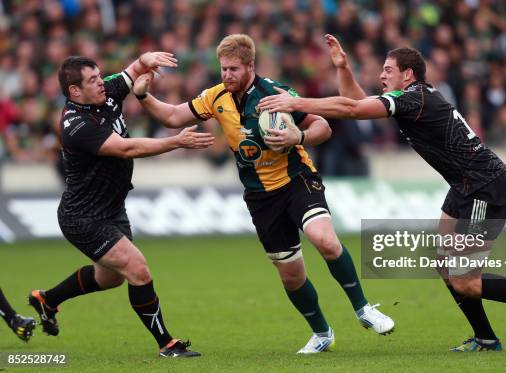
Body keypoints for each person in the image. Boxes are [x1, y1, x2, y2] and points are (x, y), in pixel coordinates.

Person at [259, 34, 506, 351]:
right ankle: (486, 338)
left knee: (465, 278)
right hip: (463, 186)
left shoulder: (415, 98)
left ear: (407, 74)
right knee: (446, 268)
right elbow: (358, 103)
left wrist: (295, 102)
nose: (382, 75)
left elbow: (352, 109)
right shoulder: (411, 99)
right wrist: (343, 69)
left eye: (388, 69)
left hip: (485, 186)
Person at [133, 34, 394, 354]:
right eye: (223, 69)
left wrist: (298, 135)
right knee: (291, 275)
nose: (227, 75)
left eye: (233, 69)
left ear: (250, 66)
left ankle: (363, 309)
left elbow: (322, 126)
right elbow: (173, 116)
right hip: (260, 196)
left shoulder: (276, 93)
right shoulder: (215, 97)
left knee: (324, 239)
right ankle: (322, 333)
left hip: (296, 179)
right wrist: (142, 96)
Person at [28, 53, 213, 358]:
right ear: (75, 91)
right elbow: (126, 147)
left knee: (110, 277)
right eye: (92, 80)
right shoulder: (75, 124)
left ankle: (47, 300)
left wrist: (147, 59)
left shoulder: (108, 89)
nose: (101, 82)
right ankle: (167, 344)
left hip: (112, 207)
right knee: (137, 269)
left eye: (99, 75)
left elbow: (133, 70)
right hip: (83, 216)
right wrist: (176, 142)